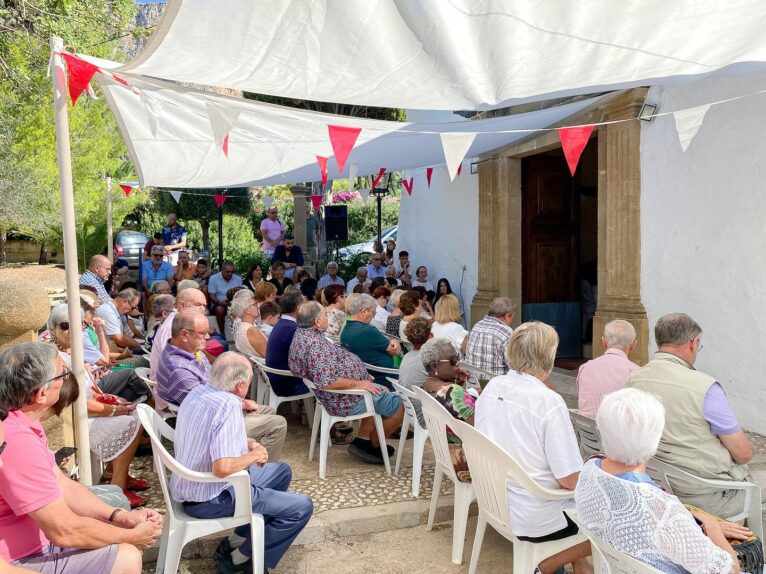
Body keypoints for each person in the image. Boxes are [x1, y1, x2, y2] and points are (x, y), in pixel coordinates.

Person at [0, 342, 163, 572]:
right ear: (41, 394)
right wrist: (129, 537)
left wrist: (118, 517)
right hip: (21, 558)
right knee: (125, 556)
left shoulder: (22, 423)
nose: (68, 380)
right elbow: (63, 530)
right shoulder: (18, 440)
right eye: (62, 374)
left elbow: (62, 484)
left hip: (37, 546)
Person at [575, 388, 746, 574]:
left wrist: (689, 520)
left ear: (601, 430)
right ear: (656, 439)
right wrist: (711, 525)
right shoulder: (665, 511)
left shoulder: (589, 470)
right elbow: (729, 570)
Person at [170, 353, 312, 573]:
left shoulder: (199, 392)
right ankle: (241, 560)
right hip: (210, 497)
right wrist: (255, 455)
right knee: (301, 507)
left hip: (190, 486)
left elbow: (210, 436)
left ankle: (237, 540)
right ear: (240, 386)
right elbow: (222, 468)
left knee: (282, 472)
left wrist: (248, 444)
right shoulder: (228, 404)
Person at [475, 322, 592, 574]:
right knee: (606, 521)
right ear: (549, 358)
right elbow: (569, 480)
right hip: (534, 515)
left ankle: (561, 563)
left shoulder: (494, 387)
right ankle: (547, 566)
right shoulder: (549, 402)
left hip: (495, 499)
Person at [627, 313, 753, 518]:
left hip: (657, 485)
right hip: (706, 494)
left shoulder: (634, 379)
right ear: (693, 343)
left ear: (659, 342)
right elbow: (743, 453)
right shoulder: (705, 387)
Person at [47, 305, 148, 507]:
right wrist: (114, 410)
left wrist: (109, 399)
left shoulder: (73, 353)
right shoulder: (59, 360)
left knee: (139, 412)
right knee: (132, 418)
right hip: (80, 420)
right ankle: (118, 485)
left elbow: (90, 389)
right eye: (65, 326)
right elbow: (77, 402)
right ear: (53, 330)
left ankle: (120, 476)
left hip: (89, 412)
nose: (72, 331)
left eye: (77, 325)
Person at [158, 311, 287, 461]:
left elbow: (210, 384)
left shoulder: (187, 352)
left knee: (267, 410)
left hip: (214, 407)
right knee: (278, 424)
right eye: (203, 333)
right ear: (185, 335)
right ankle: (259, 473)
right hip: (207, 424)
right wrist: (241, 402)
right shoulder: (178, 369)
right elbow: (206, 406)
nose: (207, 337)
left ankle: (246, 456)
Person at [288, 302, 405, 464]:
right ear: (317, 321)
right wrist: (360, 384)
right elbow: (326, 382)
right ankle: (376, 444)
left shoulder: (302, 334)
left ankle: (363, 441)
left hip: (337, 395)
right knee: (399, 406)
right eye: (325, 314)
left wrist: (360, 376)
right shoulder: (315, 344)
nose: (327, 316)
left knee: (379, 389)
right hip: (343, 399)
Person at [421, 338, 477, 482]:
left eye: (457, 357)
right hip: (468, 465)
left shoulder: (427, 385)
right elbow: (480, 427)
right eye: (452, 360)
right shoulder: (454, 393)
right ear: (434, 367)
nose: (458, 363)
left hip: (448, 457)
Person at [576, 319, 639, 418]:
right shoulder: (637, 372)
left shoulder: (586, 368)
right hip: (619, 432)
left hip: (587, 431)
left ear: (603, 341)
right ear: (633, 344)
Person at [340, 294, 401, 389]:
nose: (375, 314)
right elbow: (395, 351)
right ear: (364, 311)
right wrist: (395, 340)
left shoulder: (346, 330)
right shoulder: (368, 330)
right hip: (383, 377)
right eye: (374, 311)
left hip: (367, 374)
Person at [149, 286, 209, 380]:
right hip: (172, 383)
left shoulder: (183, 321)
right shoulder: (171, 326)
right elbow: (171, 363)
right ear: (182, 305)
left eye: (204, 305)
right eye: (198, 304)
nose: (202, 309)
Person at [265, 291, 308, 397]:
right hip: (289, 385)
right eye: (305, 304)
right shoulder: (293, 328)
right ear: (298, 307)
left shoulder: (282, 323)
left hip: (278, 380)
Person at [464, 297, 516, 375]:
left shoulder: (477, 326)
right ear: (507, 316)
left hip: (474, 383)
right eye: (512, 318)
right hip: (496, 384)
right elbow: (514, 365)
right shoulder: (506, 332)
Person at [96, 288, 143, 352]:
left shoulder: (113, 310)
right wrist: (140, 346)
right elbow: (119, 339)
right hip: (106, 354)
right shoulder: (108, 311)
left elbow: (122, 336)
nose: (131, 311)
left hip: (111, 350)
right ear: (124, 302)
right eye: (132, 308)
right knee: (143, 359)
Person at [208, 261, 244, 336]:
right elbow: (212, 296)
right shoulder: (213, 279)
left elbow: (240, 294)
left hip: (233, 303)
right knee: (219, 309)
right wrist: (221, 303)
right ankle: (222, 333)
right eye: (228, 272)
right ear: (222, 270)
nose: (230, 274)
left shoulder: (238, 279)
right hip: (218, 303)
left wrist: (233, 304)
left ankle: (240, 333)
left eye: (232, 272)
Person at [398, 318, 431, 389]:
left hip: (405, 397)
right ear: (430, 336)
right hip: (421, 398)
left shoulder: (406, 356)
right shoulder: (429, 357)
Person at [231, 293, 267, 358]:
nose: (258, 306)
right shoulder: (250, 330)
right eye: (255, 304)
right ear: (247, 310)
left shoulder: (242, 326)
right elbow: (268, 355)